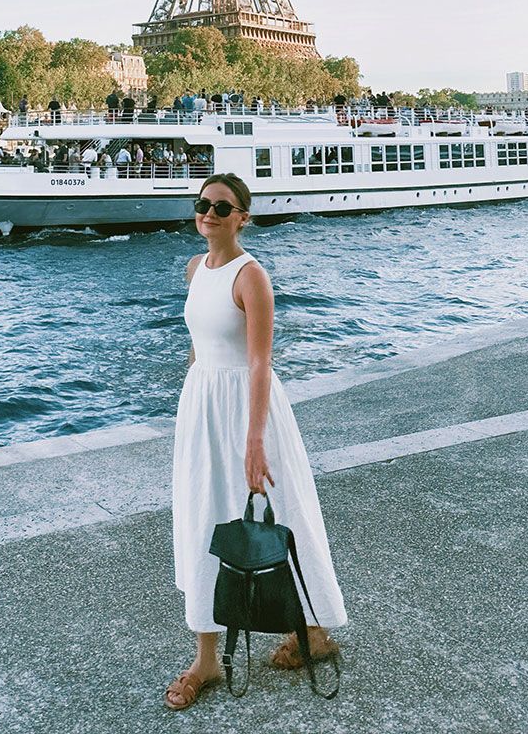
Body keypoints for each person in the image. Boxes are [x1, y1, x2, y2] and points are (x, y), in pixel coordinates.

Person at [165, 174, 347, 711]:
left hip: (251, 409)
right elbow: (201, 348)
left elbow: (261, 361)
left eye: (223, 207)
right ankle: (205, 658)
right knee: (201, 519)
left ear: (243, 215)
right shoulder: (195, 269)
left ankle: (313, 626)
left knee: (287, 514)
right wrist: (190, 413)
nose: (210, 214)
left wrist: (255, 439)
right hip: (202, 406)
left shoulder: (252, 277)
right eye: (203, 205)